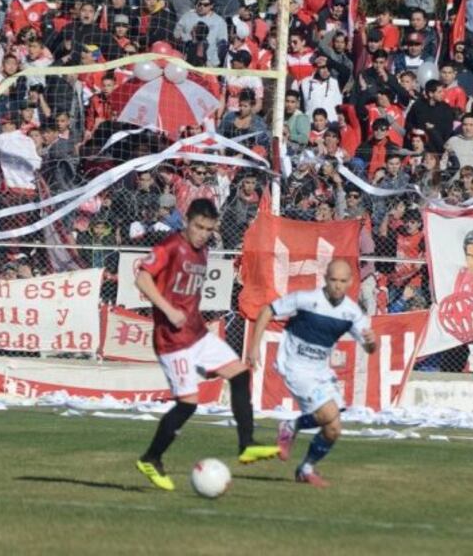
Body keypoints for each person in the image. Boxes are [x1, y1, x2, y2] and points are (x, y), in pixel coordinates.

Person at [134, 198, 279, 491]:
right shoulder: (170, 246)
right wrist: (168, 309)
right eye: (198, 227)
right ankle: (151, 458)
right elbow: (142, 278)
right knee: (188, 404)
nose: (202, 234)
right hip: (172, 341)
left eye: (208, 229)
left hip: (197, 334)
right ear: (186, 221)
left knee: (240, 374)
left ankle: (247, 444)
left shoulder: (203, 252)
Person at [247, 260, 377, 488]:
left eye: (343, 281)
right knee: (328, 413)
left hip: (320, 369)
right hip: (294, 364)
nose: (337, 285)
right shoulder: (305, 299)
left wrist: (371, 342)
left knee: (333, 429)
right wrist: (254, 346)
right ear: (325, 279)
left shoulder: (352, 312)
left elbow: (369, 348)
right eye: (333, 280)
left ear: (351, 282)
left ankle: (305, 468)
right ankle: (292, 426)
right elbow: (268, 310)